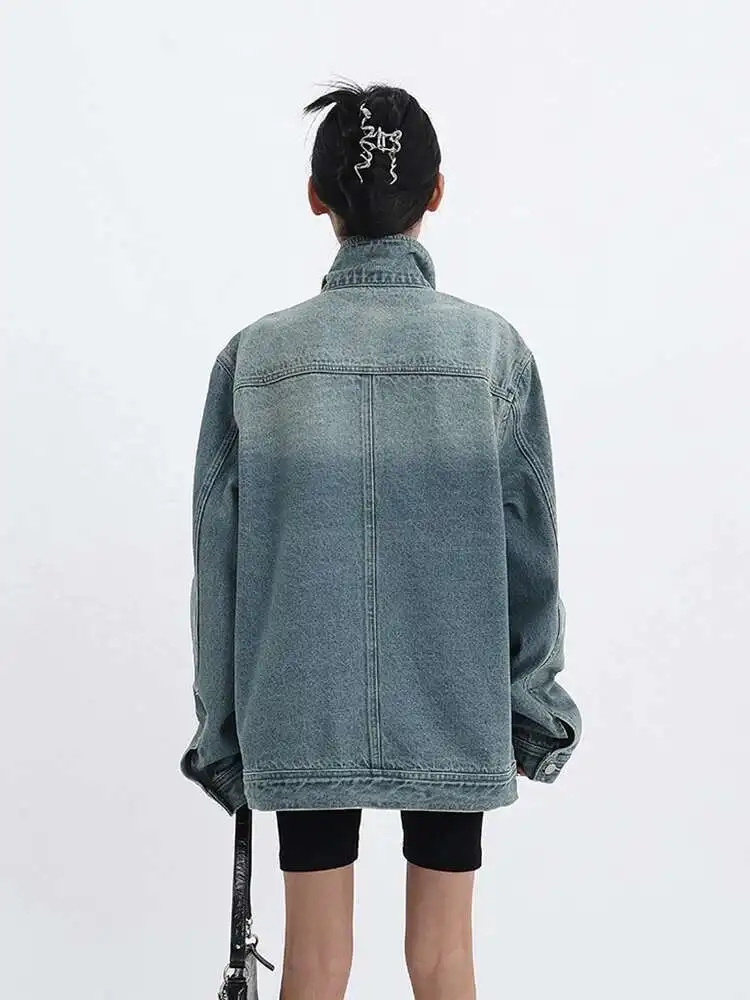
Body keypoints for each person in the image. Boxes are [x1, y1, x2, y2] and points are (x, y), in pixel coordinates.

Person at [179, 78, 582, 1000]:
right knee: (443, 958)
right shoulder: (491, 353)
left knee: (314, 961)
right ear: (436, 192)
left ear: (314, 198)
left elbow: (218, 564)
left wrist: (222, 727)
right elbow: (533, 553)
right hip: (455, 693)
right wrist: (529, 703)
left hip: (299, 693)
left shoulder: (257, 358)